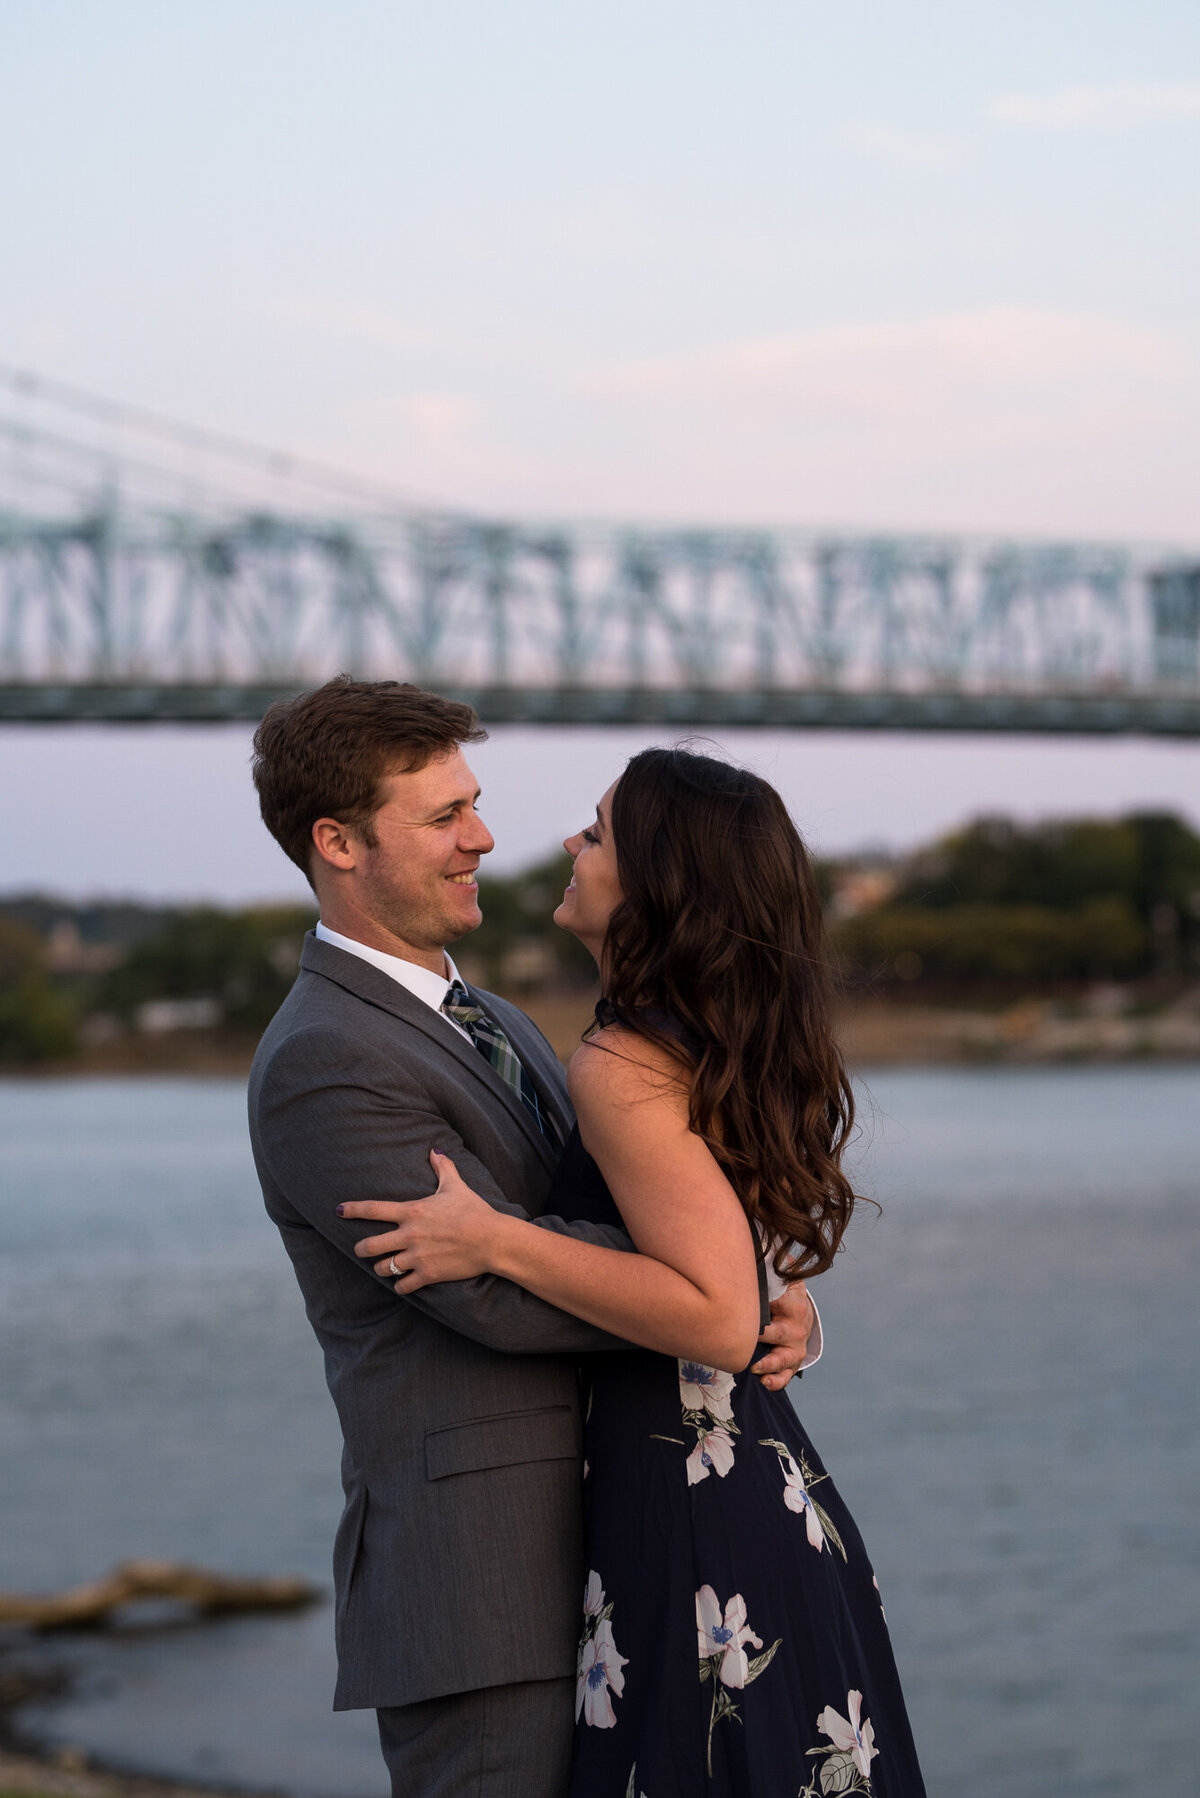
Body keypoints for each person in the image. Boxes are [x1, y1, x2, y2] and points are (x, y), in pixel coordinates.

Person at [246, 679, 817, 1798]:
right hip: (485, 1585)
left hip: (628, 1549)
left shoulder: (496, 1017)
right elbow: (484, 1297)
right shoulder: (323, 1059)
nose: (485, 838)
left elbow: (632, 1223)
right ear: (337, 842)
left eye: (476, 801)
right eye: (443, 817)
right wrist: (710, 1303)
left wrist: (742, 1294)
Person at [339, 747, 927, 1798]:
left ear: (659, 880)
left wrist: (495, 1241)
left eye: (599, 831)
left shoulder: (619, 1063)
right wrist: (771, 1306)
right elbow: (717, 1270)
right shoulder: (690, 1043)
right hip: (749, 1488)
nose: (570, 842)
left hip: (689, 1510)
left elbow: (705, 1311)